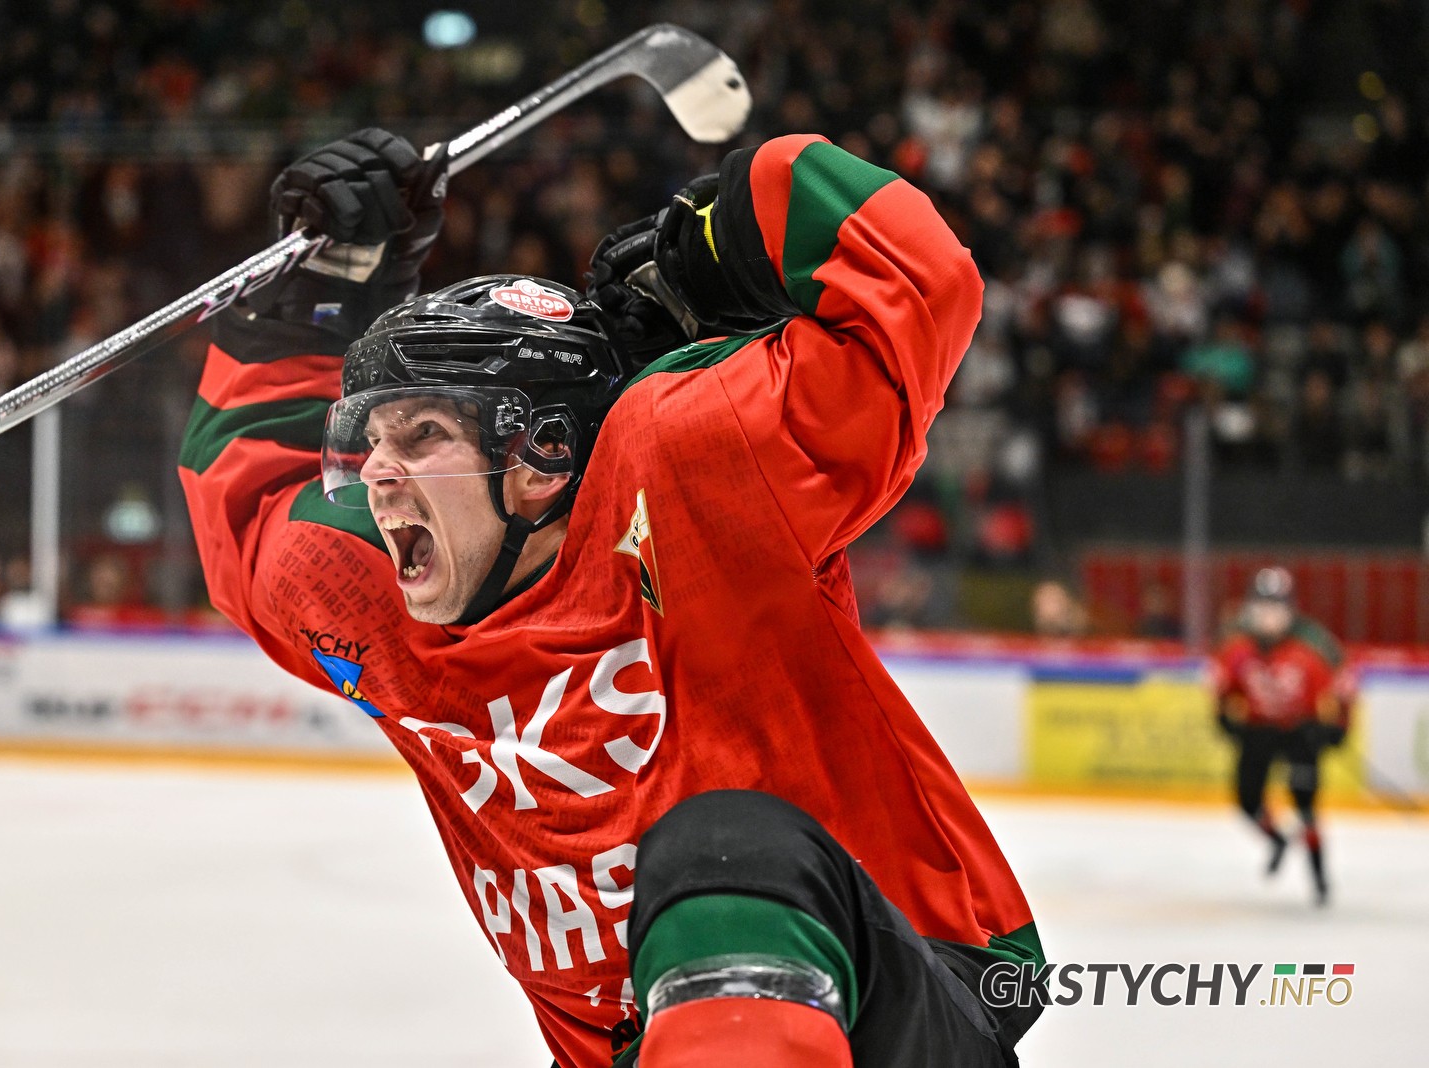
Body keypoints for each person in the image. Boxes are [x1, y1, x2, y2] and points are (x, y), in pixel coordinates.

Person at [181, 128, 1040, 1067]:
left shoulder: (684, 469)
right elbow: (249, 503)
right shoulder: (373, 593)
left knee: (723, 847)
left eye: (423, 434)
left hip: (894, 1001)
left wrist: (725, 238)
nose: (379, 473)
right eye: (373, 439)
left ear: (543, 457)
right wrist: (313, 296)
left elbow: (918, 281)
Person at [1212, 567, 1353, 905]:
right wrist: (1224, 718)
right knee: (1247, 800)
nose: (1268, 617)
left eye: (1275, 609)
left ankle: (1319, 875)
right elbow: (1222, 687)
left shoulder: (1313, 646)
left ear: (1291, 611)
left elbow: (1345, 688)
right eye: (1261, 608)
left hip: (1300, 732)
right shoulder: (1237, 646)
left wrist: (1336, 728)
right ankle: (1277, 839)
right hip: (1259, 730)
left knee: (1305, 806)